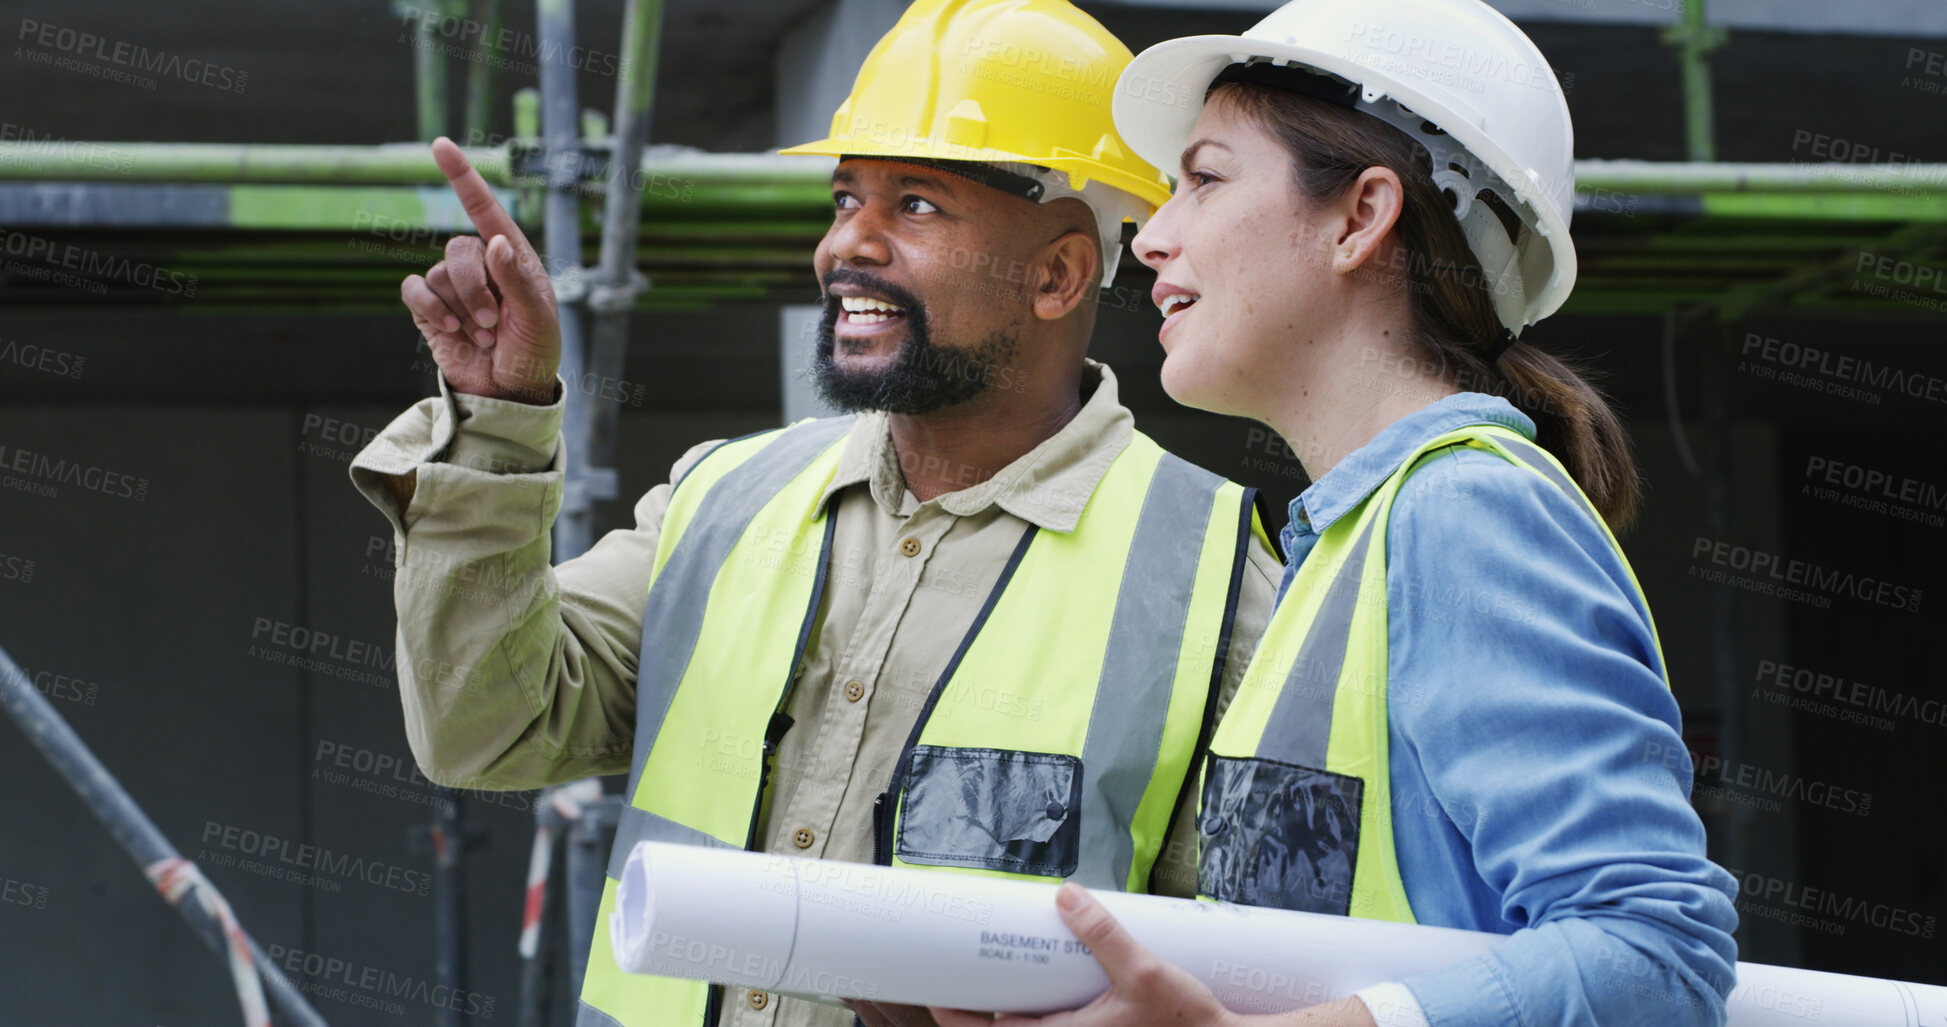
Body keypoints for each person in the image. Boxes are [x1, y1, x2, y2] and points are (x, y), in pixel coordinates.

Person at [348, 1, 1284, 1025]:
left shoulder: (1215, 582)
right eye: (845, 200)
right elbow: (487, 730)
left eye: (915, 204)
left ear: (1056, 272)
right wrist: (500, 421)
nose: (846, 246)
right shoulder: (717, 500)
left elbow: (1260, 974)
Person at [933, 1, 1740, 1025]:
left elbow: (1653, 953)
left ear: (1361, 216)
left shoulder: (1467, 510)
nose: (1151, 236)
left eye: (1205, 179)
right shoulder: (1344, 544)